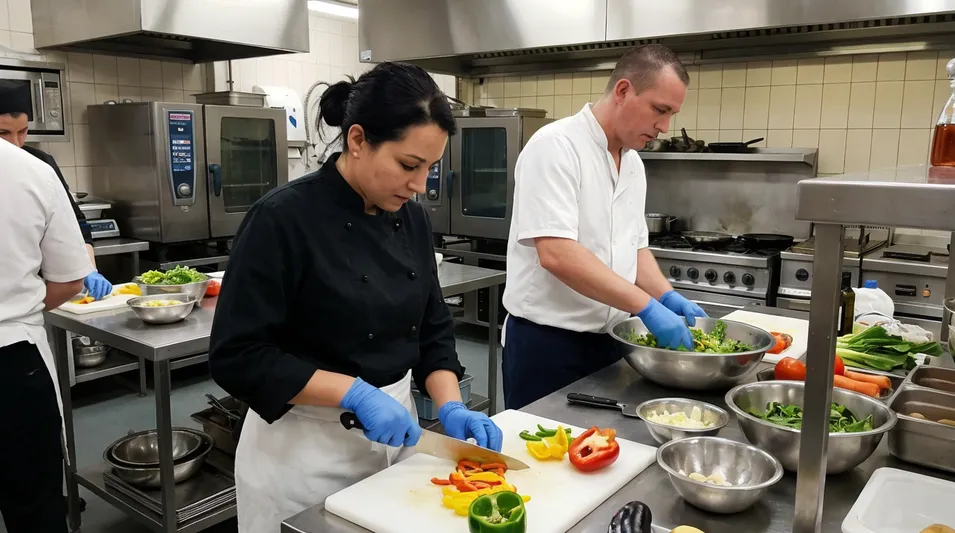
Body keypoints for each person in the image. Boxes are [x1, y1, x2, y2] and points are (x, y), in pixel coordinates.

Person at [208, 62, 504, 533]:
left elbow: (432, 329)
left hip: (398, 442)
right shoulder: (281, 218)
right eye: (408, 165)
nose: (420, 185)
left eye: (430, 168)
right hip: (303, 455)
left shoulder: (412, 218)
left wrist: (451, 406)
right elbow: (237, 355)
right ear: (358, 140)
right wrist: (353, 392)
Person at [501, 44, 708, 410]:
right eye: (660, 110)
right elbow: (557, 254)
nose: (664, 127)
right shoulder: (555, 146)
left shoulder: (633, 163)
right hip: (548, 346)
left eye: (672, 114)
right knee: (543, 446)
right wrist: (647, 307)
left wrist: (666, 296)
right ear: (623, 90)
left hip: (611, 344)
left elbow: (635, 247)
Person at [0, 139, 94, 533]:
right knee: (34, 504)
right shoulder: (30, 170)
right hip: (12, 358)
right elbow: (70, 281)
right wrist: (21, 306)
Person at [0, 81, 112, 300]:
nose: (15, 143)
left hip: (38, 292)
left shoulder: (40, 163)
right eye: (3, 133)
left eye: (22, 131)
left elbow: (76, 224)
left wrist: (87, 269)